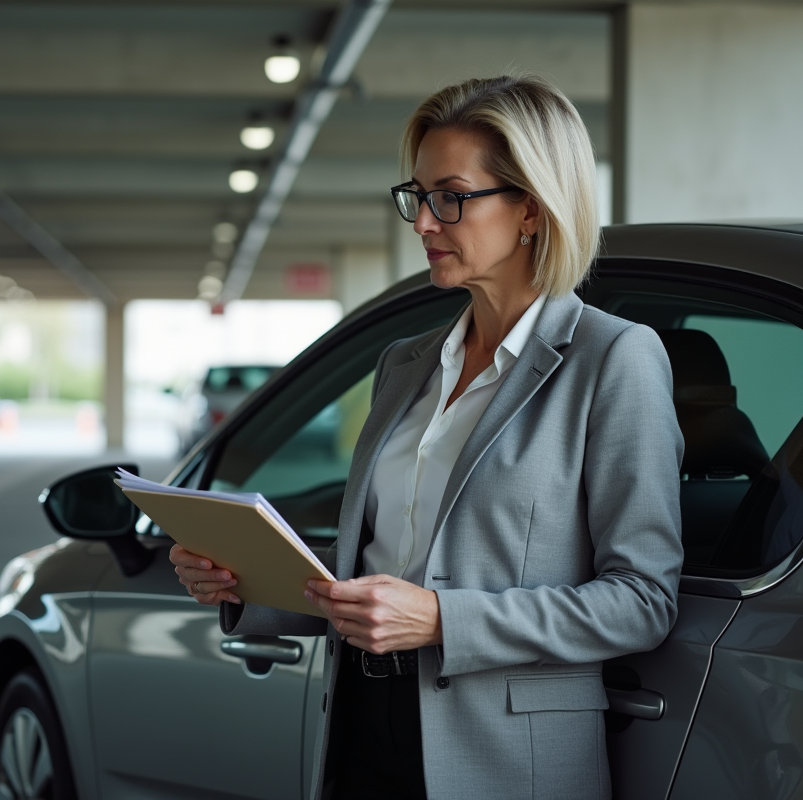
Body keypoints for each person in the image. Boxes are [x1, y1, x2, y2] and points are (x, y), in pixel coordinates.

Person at [170, 74, 683, 800]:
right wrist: (242, 584)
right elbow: (377, 570)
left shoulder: (614, 359)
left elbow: (642, 600)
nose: (424, 224)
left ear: (531, 210)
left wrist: (444, 620)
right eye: (418, 197)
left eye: (451, 197)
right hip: (362, 724)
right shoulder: (403, 363)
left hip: (504, 755)